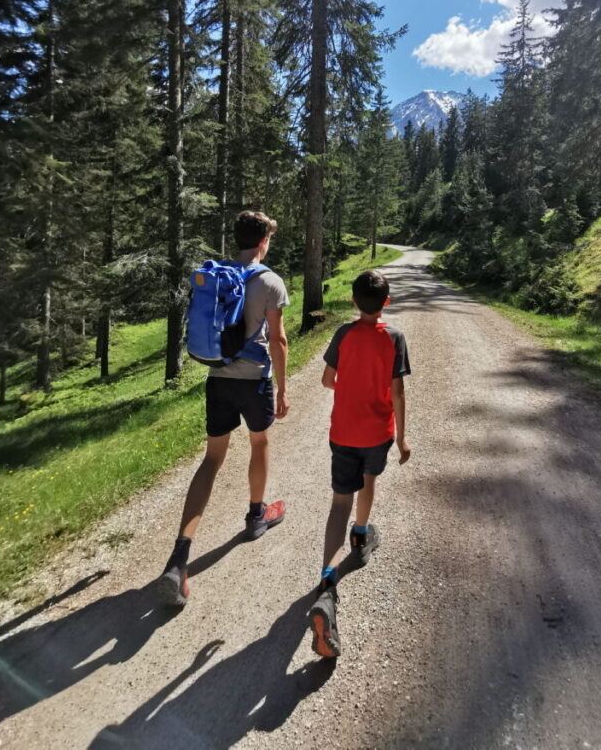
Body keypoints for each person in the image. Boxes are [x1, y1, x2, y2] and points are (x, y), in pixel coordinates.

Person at [158, 210, 291, 606]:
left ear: (238, 238)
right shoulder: (269, 281)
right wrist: (283, 389)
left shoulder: (216, 274)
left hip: (218, 379)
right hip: (255, 381)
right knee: (259, 443)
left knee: (212, 460)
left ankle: (178, 557)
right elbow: (279, 340)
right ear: (264, 240)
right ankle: (256, 516)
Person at [308, 269, 411, 658]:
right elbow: (397, 390)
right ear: (386, 302)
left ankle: (327, 582)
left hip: (343, 432)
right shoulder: (395, 337)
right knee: (369, 481)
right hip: (377, 433)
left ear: (353, 300)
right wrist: (402, 437)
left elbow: (326, 381)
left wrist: (347, 383)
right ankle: (362, 533)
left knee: (339, 502)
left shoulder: (343, 335)